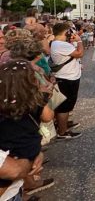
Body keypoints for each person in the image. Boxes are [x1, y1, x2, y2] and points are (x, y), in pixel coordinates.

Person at [0, 60, 55, 196]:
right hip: (10, 182)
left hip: (13, 184)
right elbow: (14, 171)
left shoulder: (4, 105)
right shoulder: (34, 102)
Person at [50, 22, 83, 139]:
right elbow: (79, 53)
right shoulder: (61, 45)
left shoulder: (57, 43)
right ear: (66, 32)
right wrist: (79, 41)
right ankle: (62, 132)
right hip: (68, 78)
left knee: (67, 105)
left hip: (66, 76)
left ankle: (63, 124)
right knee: (65, 106)